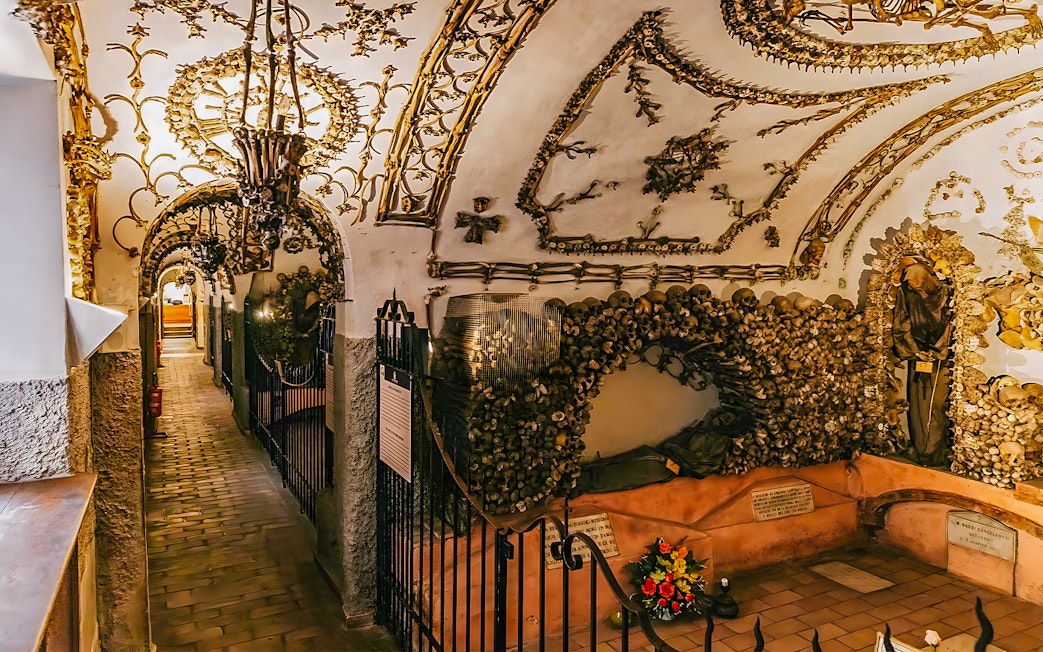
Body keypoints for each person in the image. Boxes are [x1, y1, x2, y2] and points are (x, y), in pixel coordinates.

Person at [891, 257, 953, 467]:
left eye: (918, 280)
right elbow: (901, 322)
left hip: (939, 359)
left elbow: (951, 323)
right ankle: (922, 449)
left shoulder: (944, 294)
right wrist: (915, 351)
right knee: (919, 404)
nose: (915, 285)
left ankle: (934, 450)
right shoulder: (908, 294)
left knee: (936, 404)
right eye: (911, 282)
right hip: (918, 356)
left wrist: (938, 350)